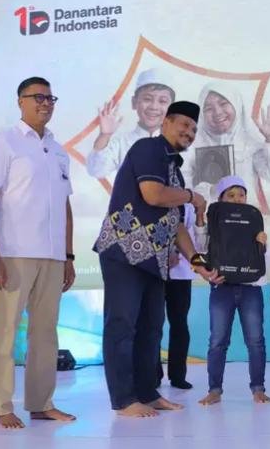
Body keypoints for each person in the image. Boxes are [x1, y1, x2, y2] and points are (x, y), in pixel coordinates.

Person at [94, 101, 217, 418]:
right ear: (166, 122)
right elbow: (152, 194)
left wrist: (198, 261)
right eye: (184, 124)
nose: (189, 132)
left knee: (151, 330)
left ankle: (148, 394)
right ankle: (124, 400)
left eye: (194, 129)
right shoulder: (149, 148)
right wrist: (192, 197)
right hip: (125, 252)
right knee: (122, 326)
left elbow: (176, 225)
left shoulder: (174, 169)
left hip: (154, 260)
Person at [0, 77, 76, 429]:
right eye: (38, 97)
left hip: (52, 256)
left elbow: (64, 206)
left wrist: (68, 256)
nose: (45, 103)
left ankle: (40, 403)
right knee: (5, 332)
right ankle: (1, 406)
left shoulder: (58, 150)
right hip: (14, 253)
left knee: (45, 333)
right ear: (20, 101)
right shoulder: (4, 142)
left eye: (50, 98)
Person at [196, 175, 270, 406]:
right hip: (222, 288)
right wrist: (200, 219)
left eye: (241, 195)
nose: (238, 199)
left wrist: (263, 245)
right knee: (217, 341)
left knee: (255, 341)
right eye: (231, 195)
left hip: (250, 289)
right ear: (220, 199)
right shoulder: (213, 222)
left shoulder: (254, 221)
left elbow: (263, 264)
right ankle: (214, 390)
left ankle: (258, 389)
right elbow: (200, 248)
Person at [181, 81, 270, 206]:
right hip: (207, 215)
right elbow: (183, 189)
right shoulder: (191, 146)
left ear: (236, 104)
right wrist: (209, 191)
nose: (217, 112)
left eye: (223, 104)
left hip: (246, 214)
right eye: (208, 108)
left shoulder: (249, 143)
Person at [86, 68, 175, 178]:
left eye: (162, 101)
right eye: (147, 99)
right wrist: (104, 135)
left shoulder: (180, 144)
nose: (154, 107)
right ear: (134, 102)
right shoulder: (121, 143)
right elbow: (96, 171)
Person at [156, 203, 197, 390]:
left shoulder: (188, 205)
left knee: (179, 323)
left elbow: (189, 233)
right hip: (155, 270)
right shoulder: (154, 199)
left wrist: (176, 250)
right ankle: (153, 374)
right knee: (153, 324)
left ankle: (178, 375)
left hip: (181, 272)